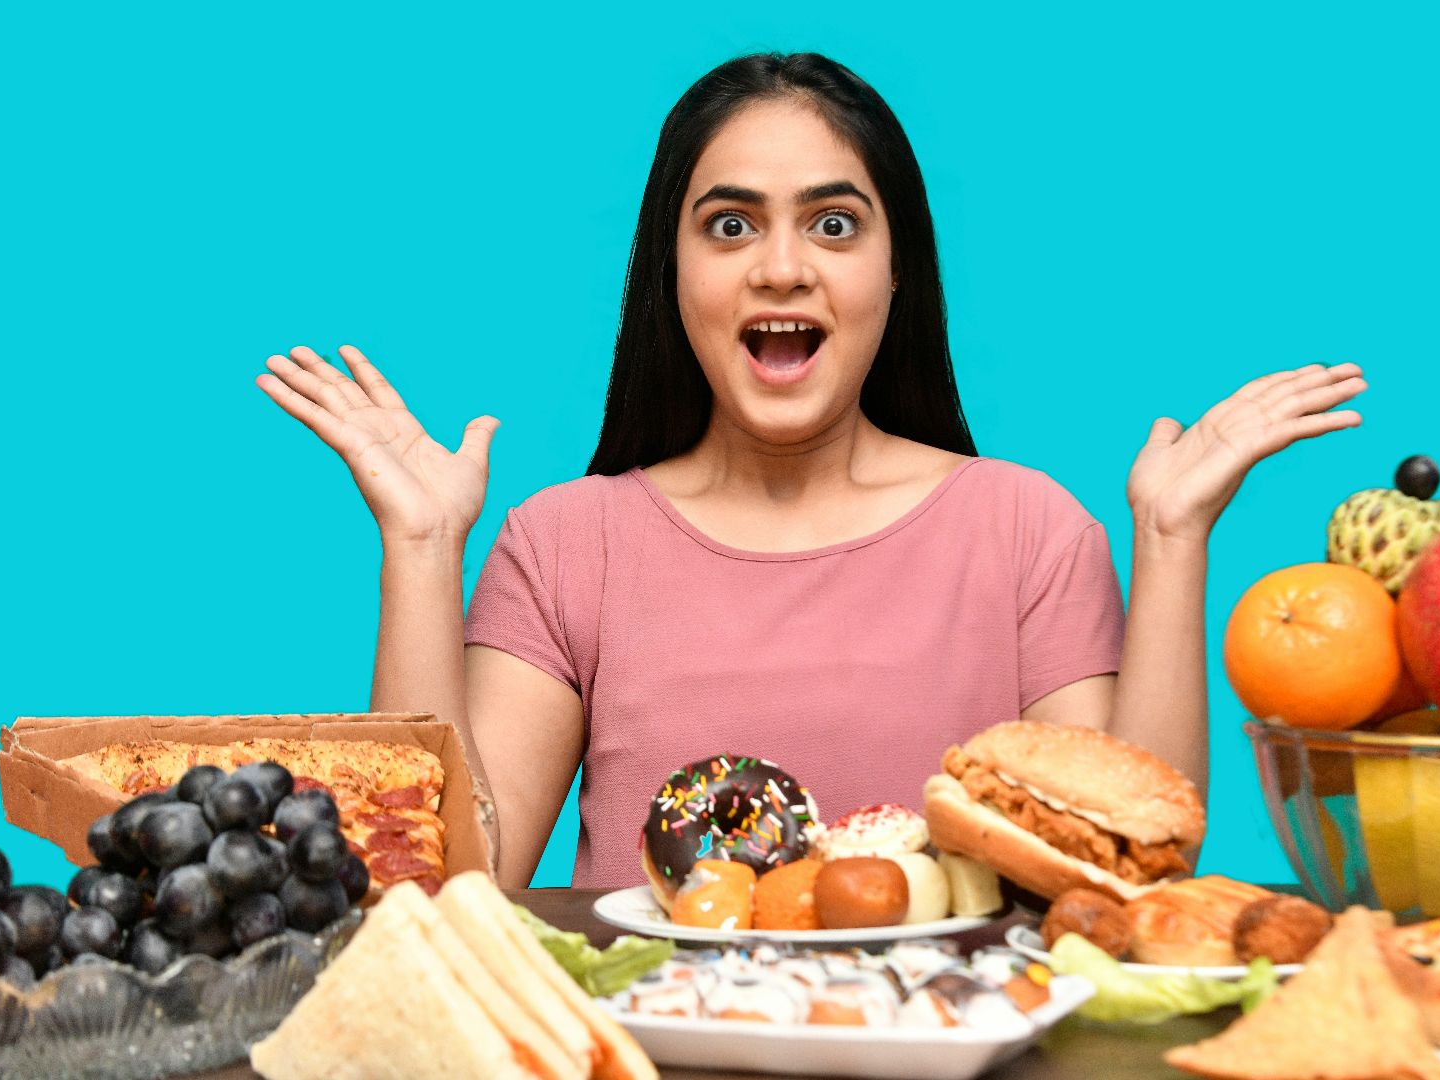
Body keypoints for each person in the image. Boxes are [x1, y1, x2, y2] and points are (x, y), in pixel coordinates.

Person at [256, 53, 1365, 888]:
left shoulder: (1026, 530)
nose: (782, 268)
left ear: (895, 274)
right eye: (729, 226)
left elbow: (1133, 871)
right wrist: (417, 548)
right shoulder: (568, 544)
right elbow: (442, 894)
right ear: (672, 273)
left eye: (834, 224)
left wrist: (1172, 541)